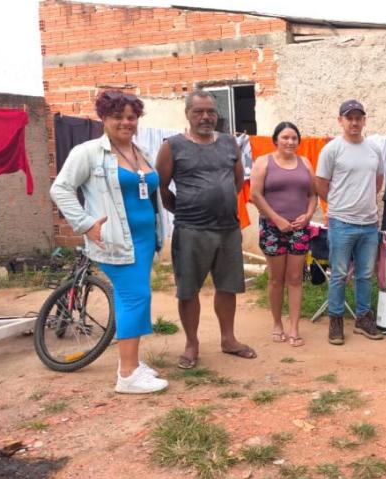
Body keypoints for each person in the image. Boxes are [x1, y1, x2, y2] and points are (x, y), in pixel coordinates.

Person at [50, 90, 168, 394]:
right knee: (135, 297)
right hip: (115, 240)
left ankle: (132, 363)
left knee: (135, 298)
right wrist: (85, 223)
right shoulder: (88, 152)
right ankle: (127, 375)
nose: (126, 122)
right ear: (103, 118)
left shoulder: (140, 150)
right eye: (118, 116)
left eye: (132, 117)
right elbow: (60, 189)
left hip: (144, 240)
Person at [155, 90, 256, 369]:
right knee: (188, 290)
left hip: (228, 229)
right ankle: (192, 344)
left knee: (228, 286)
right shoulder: (172, 146)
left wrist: (220, 201)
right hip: (191, 230)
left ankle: (229, 339)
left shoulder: (229, 143)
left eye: (211, 111)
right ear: (187, 114)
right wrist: (185, 210)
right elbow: (162, 187)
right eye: (199, 111)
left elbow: (237, 182)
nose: (206, 117)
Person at [315, 100, 385, 345]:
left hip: (369, 224)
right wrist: (338, 205)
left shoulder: (374, 149)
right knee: (339, 274)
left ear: (364, 120)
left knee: (365, 274)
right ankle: (335, 320)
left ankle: (363, 318)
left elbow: (378, 180)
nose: (354, 122)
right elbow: (320, 184)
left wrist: (365, 202)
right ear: (340, 121)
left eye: (358, 118)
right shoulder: (332, 149)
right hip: (341, 223)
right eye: (349, 118)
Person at [249, 121, 317, 347]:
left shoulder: (305, 163)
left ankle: (294, 327)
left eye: (294, 138)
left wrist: (308, 215)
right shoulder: (263, 162)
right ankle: (277, 323)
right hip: (272, 228)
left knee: (295, 278)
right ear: (276, 140)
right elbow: (256, 195)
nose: (290, 142)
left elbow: (313, 195)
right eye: (285, 137)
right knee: (276, 279)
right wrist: (276, 219)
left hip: (299, 228)